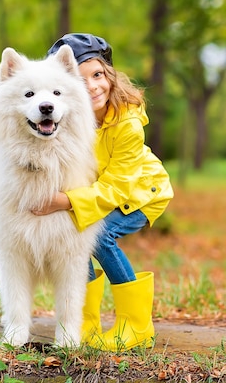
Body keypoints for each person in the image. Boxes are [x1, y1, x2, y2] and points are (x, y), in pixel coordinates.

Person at [34, 33, 174, 351]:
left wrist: (64, 201)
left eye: (98, 75)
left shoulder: (127, 125)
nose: (93, 86)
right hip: (99, 191)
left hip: (142, 193)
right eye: (80, 80)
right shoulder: (69, 119)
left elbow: (116, 187)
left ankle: (136, 325)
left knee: (100, 236)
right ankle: (84, 324)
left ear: (109, 74)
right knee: (75, 235)